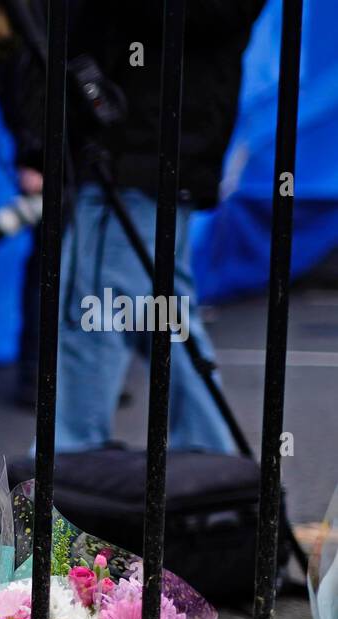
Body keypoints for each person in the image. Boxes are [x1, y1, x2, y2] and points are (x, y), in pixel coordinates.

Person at [46, 0, 264, 453]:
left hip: (146, 148)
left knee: (97, 305)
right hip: (144, 144)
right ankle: (210, 460)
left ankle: (66, 463)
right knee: (160, 310)